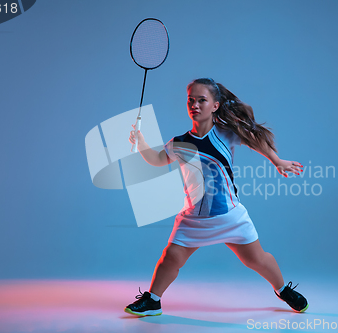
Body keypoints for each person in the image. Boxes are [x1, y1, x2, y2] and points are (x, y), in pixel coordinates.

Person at [125, 78, 308, 316]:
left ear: (215, 105)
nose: (195, 105)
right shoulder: (180, 143)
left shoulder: (227, 135)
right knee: (171, 258)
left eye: (202, 100)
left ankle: (282, 289)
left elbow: (257, 141)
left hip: (230, 216)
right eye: (191, 100)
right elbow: (158, 160)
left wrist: (277, 161)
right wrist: (141, 143)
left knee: (257, 259)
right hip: (193, 219)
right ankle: (153, 300)